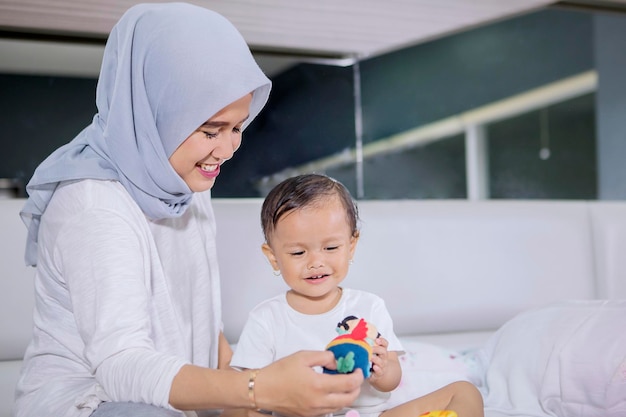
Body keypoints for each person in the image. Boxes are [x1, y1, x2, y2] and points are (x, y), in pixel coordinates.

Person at [14, 4, 363, 417]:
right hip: (90, 404)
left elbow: (199, 315)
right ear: (154, 113)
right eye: (210, 131)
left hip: (169, 400)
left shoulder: (184, 181)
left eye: (237, 128)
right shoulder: (95, 206)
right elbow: (120, 368)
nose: (228, 149)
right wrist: (256, 389)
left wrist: (250, 399)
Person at [231, 174, 484, 417]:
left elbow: (391, 382)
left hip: (370, 415)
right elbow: (251, 388)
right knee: (238, 411)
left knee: (464, 391)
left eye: (330, 248)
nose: (316, 262)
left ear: (351, 246)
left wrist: (382, 369)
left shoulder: (369, 306)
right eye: (298, 253)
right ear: (273, 256)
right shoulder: (266, 318)